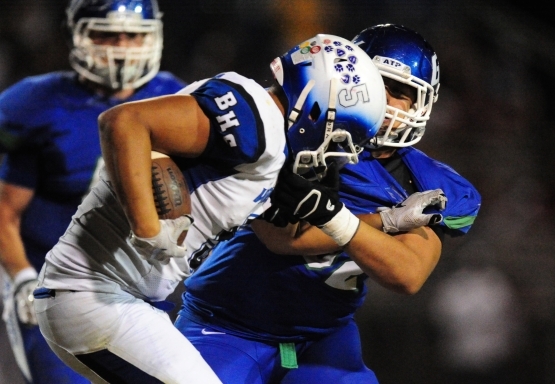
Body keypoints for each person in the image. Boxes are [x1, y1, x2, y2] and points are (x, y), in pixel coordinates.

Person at [32, 32, 387, 383]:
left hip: (118, 299)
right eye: (341, 134)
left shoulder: (272, 144)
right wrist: (148, 228)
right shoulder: (257, 120)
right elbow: (123, 122)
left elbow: (289, 237)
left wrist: (387, 220)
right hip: (91, 294)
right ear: (316, 104)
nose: (337, 151)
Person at [174, 24, 482, 383]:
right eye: (376, 83)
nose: (383, 99)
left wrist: (342, 218)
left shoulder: (427, 181)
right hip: (228, 323)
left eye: (399, 91)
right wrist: (387, 220)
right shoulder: (296, 130)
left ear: (421, 102)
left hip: (324, 339)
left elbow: (407, 273)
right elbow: (283, 237)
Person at [0, 1, 186, 383]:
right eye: (107, 34)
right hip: (53, 284)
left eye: (133, 35)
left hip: (140, 284)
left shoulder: (178, 99)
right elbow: (5, 210)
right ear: (79, 36)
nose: (121, 46)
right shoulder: (32, 103)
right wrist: (20, 277)